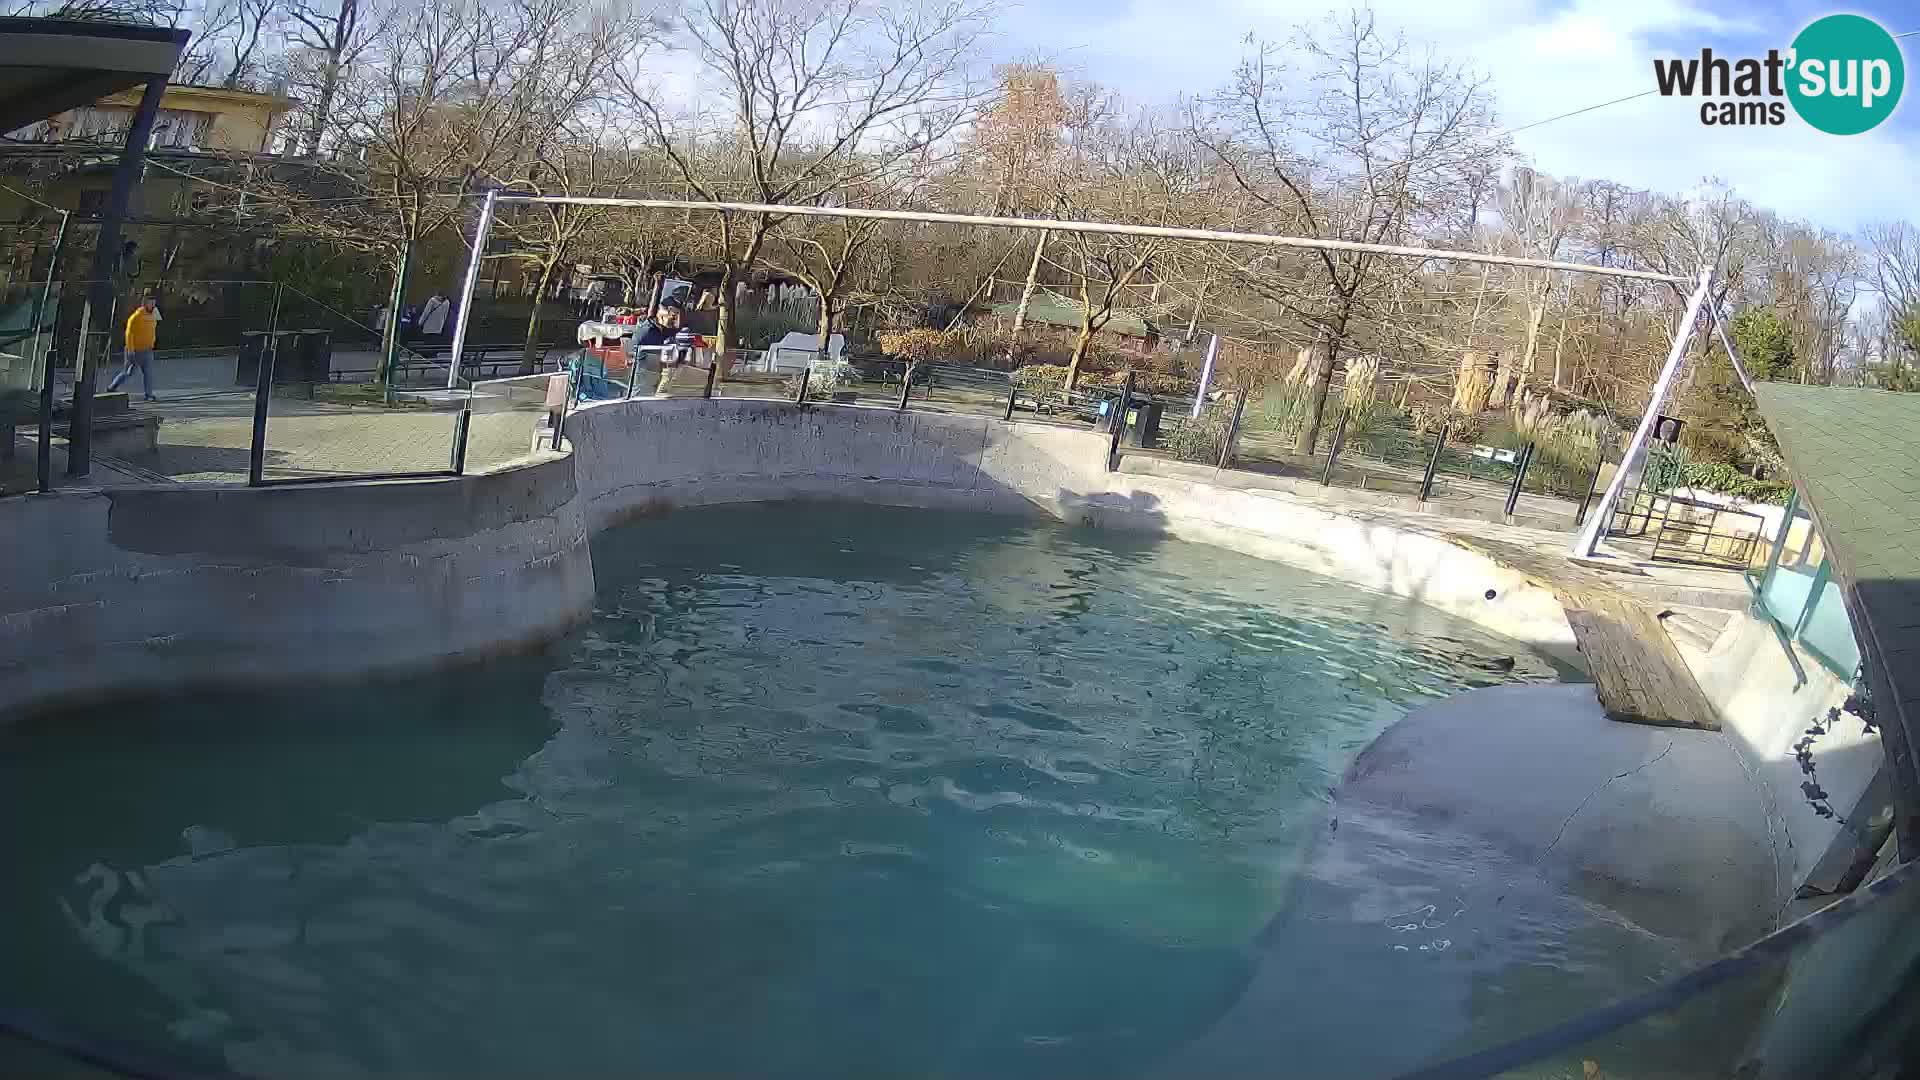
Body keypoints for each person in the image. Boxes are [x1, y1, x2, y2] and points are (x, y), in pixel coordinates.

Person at [108, 290, 160, 401]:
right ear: (145, 303)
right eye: (150, 302)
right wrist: (130, 350)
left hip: (148, 350)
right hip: (135, 351)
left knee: (148, 374)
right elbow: (129, 334)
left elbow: (154, 328)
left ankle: (149, 395)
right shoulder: (136, 316)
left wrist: (153, 342)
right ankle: (112, 386)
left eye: (154, 302)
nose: (153, 304)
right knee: (128, 373)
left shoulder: (155, 314)